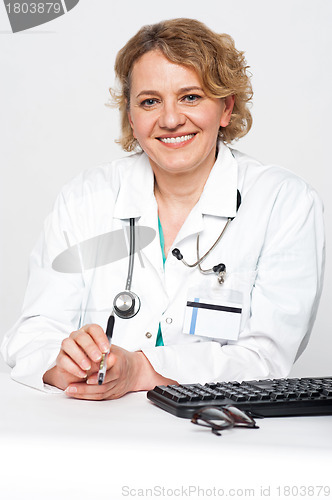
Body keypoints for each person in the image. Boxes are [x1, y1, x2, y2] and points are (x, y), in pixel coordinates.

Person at [1, 18, 325, 400]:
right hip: (92, 432)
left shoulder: (283, 202)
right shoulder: (85, 198)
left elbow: (267, 357)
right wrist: (64, 362)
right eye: (150, 101)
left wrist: (141, 369)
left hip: (222, 436)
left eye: (191, 97)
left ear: (225, 108)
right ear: (131, 117)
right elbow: (33, 334)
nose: (170, 119)